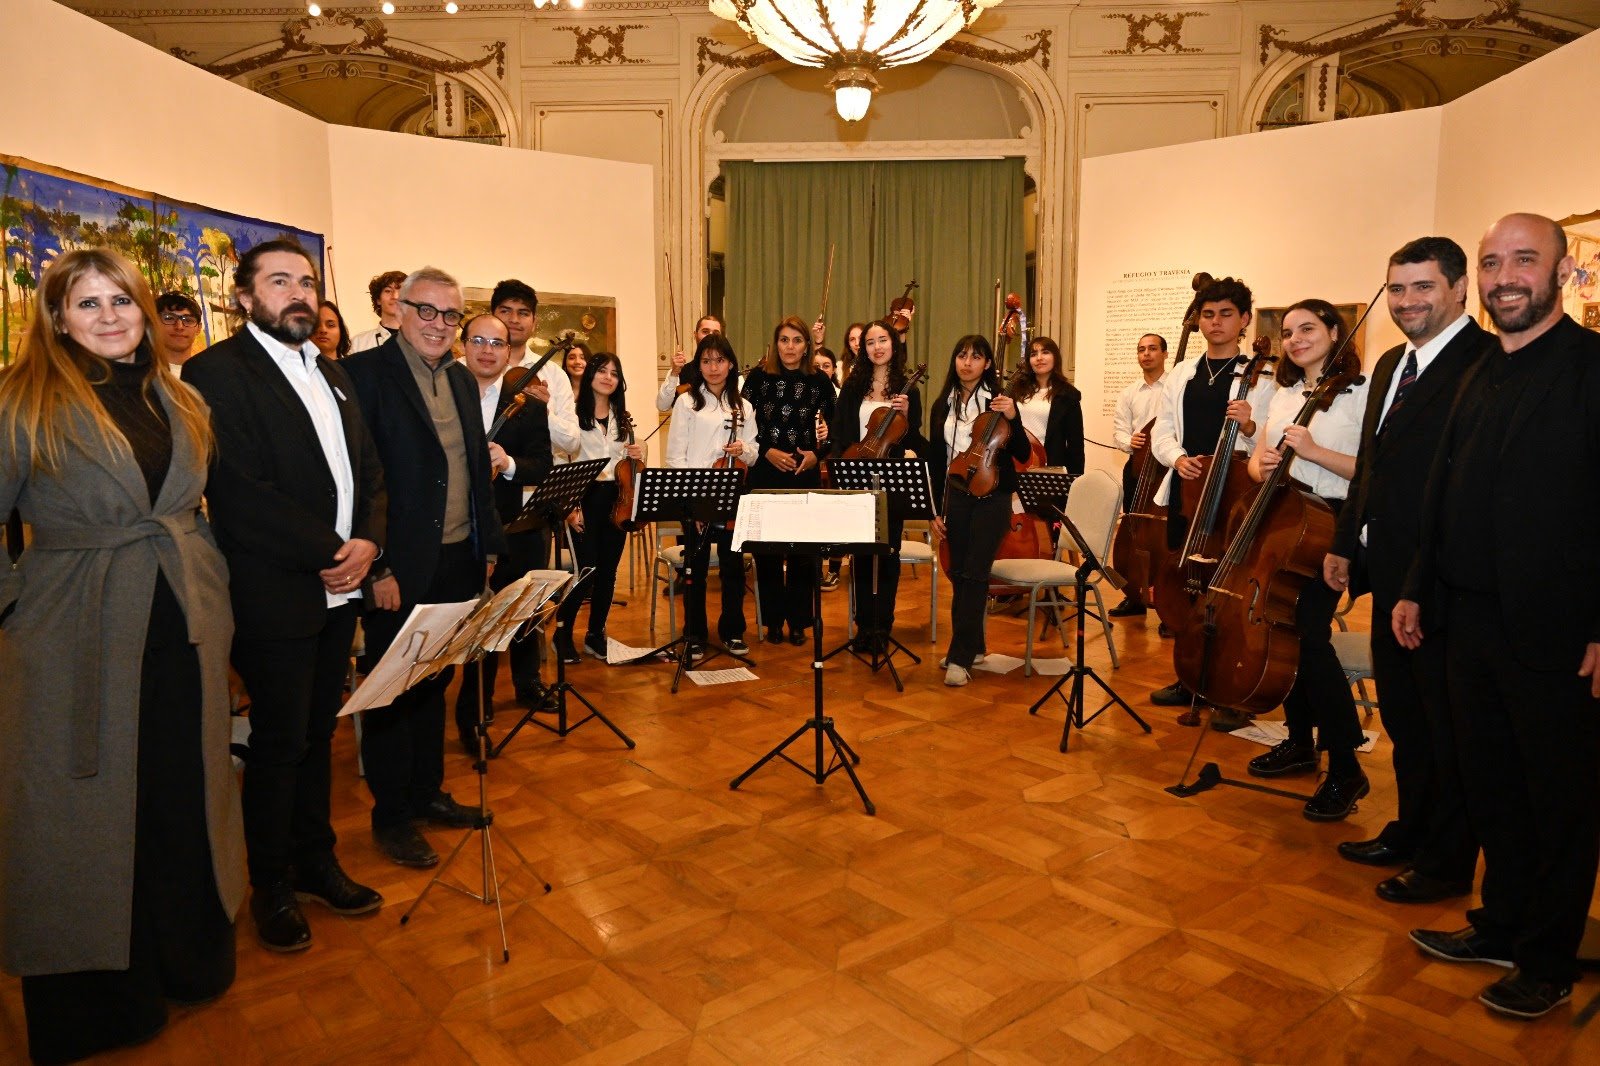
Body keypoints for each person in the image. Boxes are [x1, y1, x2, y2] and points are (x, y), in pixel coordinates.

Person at [0, 249, 243, 1064]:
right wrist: (18, 611)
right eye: (87, 303)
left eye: (122, 301)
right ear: (57, 316)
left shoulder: (178, 397)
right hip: (77, 634)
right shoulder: (20, 399)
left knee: (182, 793)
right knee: (87, 813)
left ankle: (188, 961)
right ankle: (102, 1005)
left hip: (183, 625)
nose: (109, 317)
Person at [1400, 213, 1600, 1021]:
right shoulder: (1479, 368)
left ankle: (1547, 960)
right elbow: (1443, 490)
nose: (1504, 276)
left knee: (1558, 801)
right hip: (1465, 621)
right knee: (1492, 787)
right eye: (1491, 262)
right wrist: (1415, 584)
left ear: (1562, 271)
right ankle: (1504, 924)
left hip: (1558, 631)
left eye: (1524, 260)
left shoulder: (1591, 367)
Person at [184, 239, 387, 953]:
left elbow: (367, 466)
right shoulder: (214, 373)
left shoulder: (331, 372)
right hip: (277, 589)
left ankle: (315, 859)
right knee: (277, 743)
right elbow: (238, 494)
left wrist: (369, 540)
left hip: (342, 587)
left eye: (305, 281)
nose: (298, 293)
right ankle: (268, 881)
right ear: (244, 298)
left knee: (318, 736)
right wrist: (338, 553)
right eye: (279, 281)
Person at [1323, 237, 1487, 903]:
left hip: (1439, 581)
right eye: (1397, 289)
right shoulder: (1393, 362)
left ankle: (1447, 863)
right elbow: (1371, 463)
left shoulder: (1481, 363)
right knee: (1404, 717)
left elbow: (1462, 486)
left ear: (1458, 289)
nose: (1408, 302)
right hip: (1386, 568)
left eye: (1423, 287)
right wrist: (1344, 539)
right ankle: (1411, 830)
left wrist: (1420, 580)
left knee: (1446, 726)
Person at [342, 267, 508, 869]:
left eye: (450, 315)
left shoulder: (464, 381)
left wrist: (486, 547)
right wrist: (376, 567)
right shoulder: (363, 376)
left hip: (458, 559)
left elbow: (473, 471)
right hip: (397, 567)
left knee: (436, 680)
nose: (439, 325)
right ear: (399, 311)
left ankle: (427, 793)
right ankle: (392, 815)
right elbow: (359, 481)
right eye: (427, 311)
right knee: (392, 691)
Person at [1235, 300, 1370, 820]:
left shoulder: (1359, 395)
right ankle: (1300, 741)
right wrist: (1259, 464)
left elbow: (1370, 470)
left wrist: (1313, 452)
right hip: (1285, 518)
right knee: (1282, 629)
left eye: (1307, 328)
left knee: (1308, 636)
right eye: (1289, 332)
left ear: (1335, 332)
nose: (1294, 339)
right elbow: (1255, 465)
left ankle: (1345, 766)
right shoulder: (1286, 394)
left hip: (1333, 526)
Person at [1147, 277, 1276, 719]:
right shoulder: (1183, 372)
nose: (1215, 322)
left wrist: (1251, 426)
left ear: (1243, 320)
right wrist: (1177, 458)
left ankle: (1232, 687)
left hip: (1235, 494)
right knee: (1191, 588)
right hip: (1190, 489)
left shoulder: (1262, 375)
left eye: (1226, 314)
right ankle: (1191, 678)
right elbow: (1163, 428)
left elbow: (1270, 437)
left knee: (1230, 591)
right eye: (1208, 313)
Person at [451, 314, 553, 751]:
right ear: (463, 346)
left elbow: (542, 464)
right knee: (464, 626)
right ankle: (467, 709)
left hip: (508, 528)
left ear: (510, 353)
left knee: (498, 623)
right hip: (453, 532)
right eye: (479, 340)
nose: (488, 350)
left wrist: (507, 462)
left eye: (498, 343)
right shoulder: (443, 396)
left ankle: (481, 710)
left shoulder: (527, 406)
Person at [929, 334, 1030, 686]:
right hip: (955, 495)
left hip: (992, 498)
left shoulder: (999, 401)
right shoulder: (943, 403)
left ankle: (959, 657)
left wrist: (1014, 418)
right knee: (960, 574)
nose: (967, 362)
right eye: (961, 355)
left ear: (987, 363)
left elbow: (1020, 453)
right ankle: (973, 647)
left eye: (976, 356)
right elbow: (936, 459)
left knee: (974, 574)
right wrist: (935, 511)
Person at [828, 320, 927, 652]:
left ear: (893, 345)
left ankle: (882, 626)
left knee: (888, 554)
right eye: (870, 342)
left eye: (883, 339)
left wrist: (908, 416)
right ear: (863, 349)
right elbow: (840, 433)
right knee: (861, 554)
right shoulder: (852, 388)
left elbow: (913, 440)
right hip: (856, 475)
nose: (877, 346)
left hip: (891, 480)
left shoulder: (908, 390)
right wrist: (843, 465)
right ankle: (862, 625)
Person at [743, 315, 835, 645]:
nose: (790, 347)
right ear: (775, 343)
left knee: (802, 552)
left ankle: (799, 622)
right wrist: (767, 451)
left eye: (797, 340)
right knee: (766, 552)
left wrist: (816, 455)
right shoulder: (757, 379)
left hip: (803, 470)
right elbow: (744, 426)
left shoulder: (820, 382)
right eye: (784, 340)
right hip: (765, 470)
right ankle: (772, 623)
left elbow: (837, 431)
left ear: (807, 345)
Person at [665, 333, 757, 655]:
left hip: (732, 494)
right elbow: (675, 457)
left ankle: (732, 631)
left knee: (733, 569)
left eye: (720, 360)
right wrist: (694, 503)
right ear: (698, 365)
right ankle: (695, 635)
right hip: (696, 494)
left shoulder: (743, 406)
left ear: (731, 364)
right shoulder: (687, 402)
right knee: (696, 571)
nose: (713, 367)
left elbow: (755, 452)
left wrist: (743, 447)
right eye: (706, 361)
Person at [553, 351, 643, 663]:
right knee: (585, 572)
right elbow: (561, 461)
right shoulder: (572, 415)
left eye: (614, 373)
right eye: (602, 370)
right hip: (583, 498)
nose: (607, 377)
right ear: (591, 374)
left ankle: (595, 633)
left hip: (616, 500)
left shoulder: (623, 418)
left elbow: (630, 467)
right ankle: (562, 633)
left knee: (608, 572)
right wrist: (569, 506)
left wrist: (638, 451)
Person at [1108, 333, 1168, 616]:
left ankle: (1169, 600)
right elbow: (1119, 429)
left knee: (1168, 532)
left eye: (1152, 349)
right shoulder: (1129, 393)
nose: (1146, 354)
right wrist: (1128, 441)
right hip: (1136, 467)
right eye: (1141, 350)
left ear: (1165, 354)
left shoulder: (1175, 388)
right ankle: (1134, 594)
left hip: (1167, 468)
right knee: (1134, 528)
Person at [493, 280, 579, 463]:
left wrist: (544, 412)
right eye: (505, 311)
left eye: (523, 313)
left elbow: (572, 443)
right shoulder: (465, 368)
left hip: (538, 489)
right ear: (492, 316)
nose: (514, 319)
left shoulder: (555, 375)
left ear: (534, 323)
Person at [1015, 335, 1085, 475]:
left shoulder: (1068, 395)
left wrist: (1075, 478)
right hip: (1016, 462)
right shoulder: (1016, 390)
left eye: (1045, 352)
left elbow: (1075, 444)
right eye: (1033, 354)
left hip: (1049, 466)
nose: (1039, 358)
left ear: (1055, 358)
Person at [656, 313, 722, 412]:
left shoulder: (730, 371)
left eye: (715, 333)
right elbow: (662, 406)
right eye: (705, 331)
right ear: (695, 335)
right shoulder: (678, 372)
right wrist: (674, 374)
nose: (710, 337)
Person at [349, 270, 405, 353]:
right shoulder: (358, 343)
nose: (395, 296)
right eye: (388, 291)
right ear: (378, 300)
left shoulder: (422, 342)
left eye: (401, 291)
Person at [154, 291, 203, 372]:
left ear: (199, 328)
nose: (179, 326)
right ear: (153, 323)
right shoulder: (141, 375)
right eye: (169, 318)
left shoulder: (207, 375)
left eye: (188, 320)